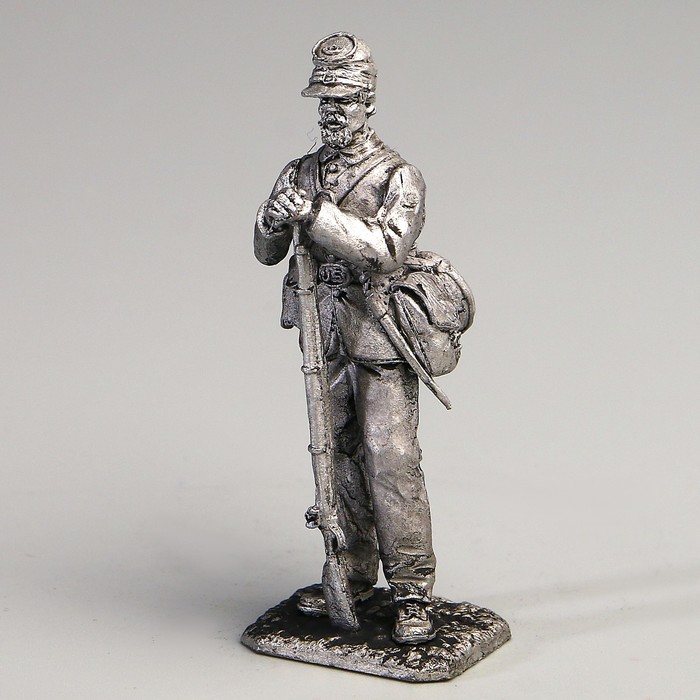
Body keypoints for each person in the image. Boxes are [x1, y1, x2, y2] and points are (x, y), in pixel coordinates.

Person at [253, 32, 437, 644]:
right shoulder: (300, 171)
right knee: (334, 456)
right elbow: (266, 252)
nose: (333, 112)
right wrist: (273, 220)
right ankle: (353, 573)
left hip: (379, 336)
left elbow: (386, 252)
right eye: (325, 101)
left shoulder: (398, 176)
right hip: (320, 331)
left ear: (368, 102)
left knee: (391, 460)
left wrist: (313, 215)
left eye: (345, 100)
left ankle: (411, 588)